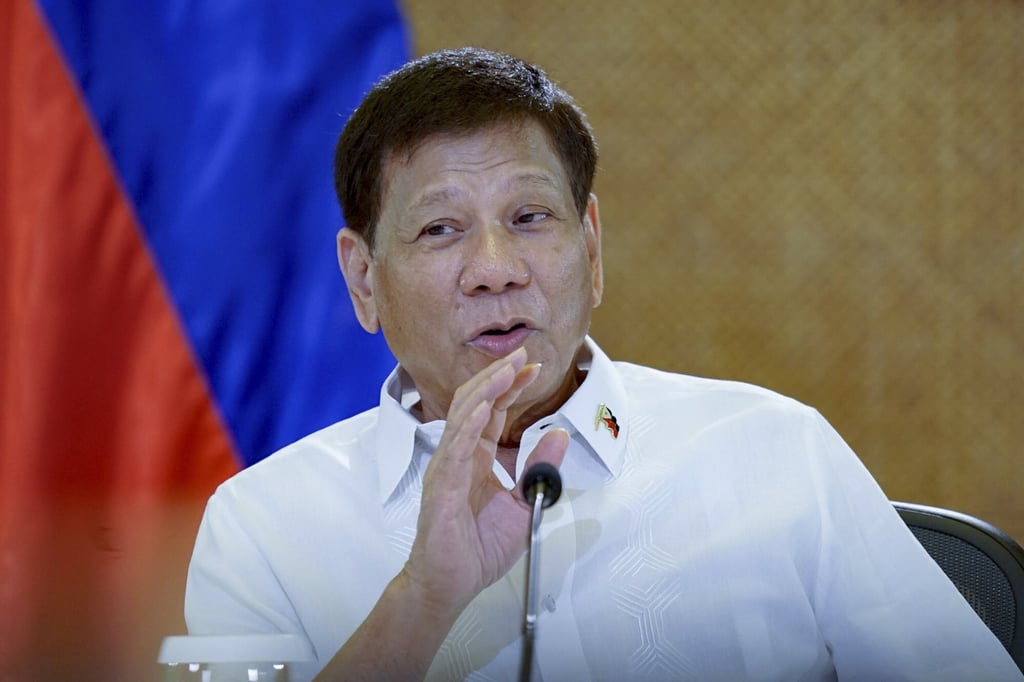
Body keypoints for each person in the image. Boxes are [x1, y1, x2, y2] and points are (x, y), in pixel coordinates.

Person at [184, 47, 1022, 681]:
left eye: (530, 216)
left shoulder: (776, 449)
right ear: (363, 279)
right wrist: (422, 601)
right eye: (440, 229)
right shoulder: (258, 528)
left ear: (590, 245)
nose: (495, 266)